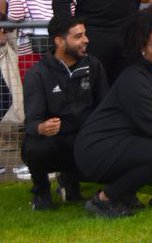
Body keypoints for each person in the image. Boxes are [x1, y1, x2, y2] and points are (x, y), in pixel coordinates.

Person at [74, 5, 152, 218]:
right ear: (143, 48)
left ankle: (125, 194)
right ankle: (104, 199)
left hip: (122, 143)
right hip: (96, 150)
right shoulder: (133, 78)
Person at [22, 16, 107, 211]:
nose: (86, 40)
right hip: (56, 142)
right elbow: (31, 122)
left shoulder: (93, 65)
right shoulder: (38, 73)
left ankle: (73, 186)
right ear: (60, 42)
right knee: (34, 146)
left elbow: (105, 106)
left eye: (85, 34)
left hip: (85, 139)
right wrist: (42, 127)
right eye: (78, 36)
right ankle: (41, 192)